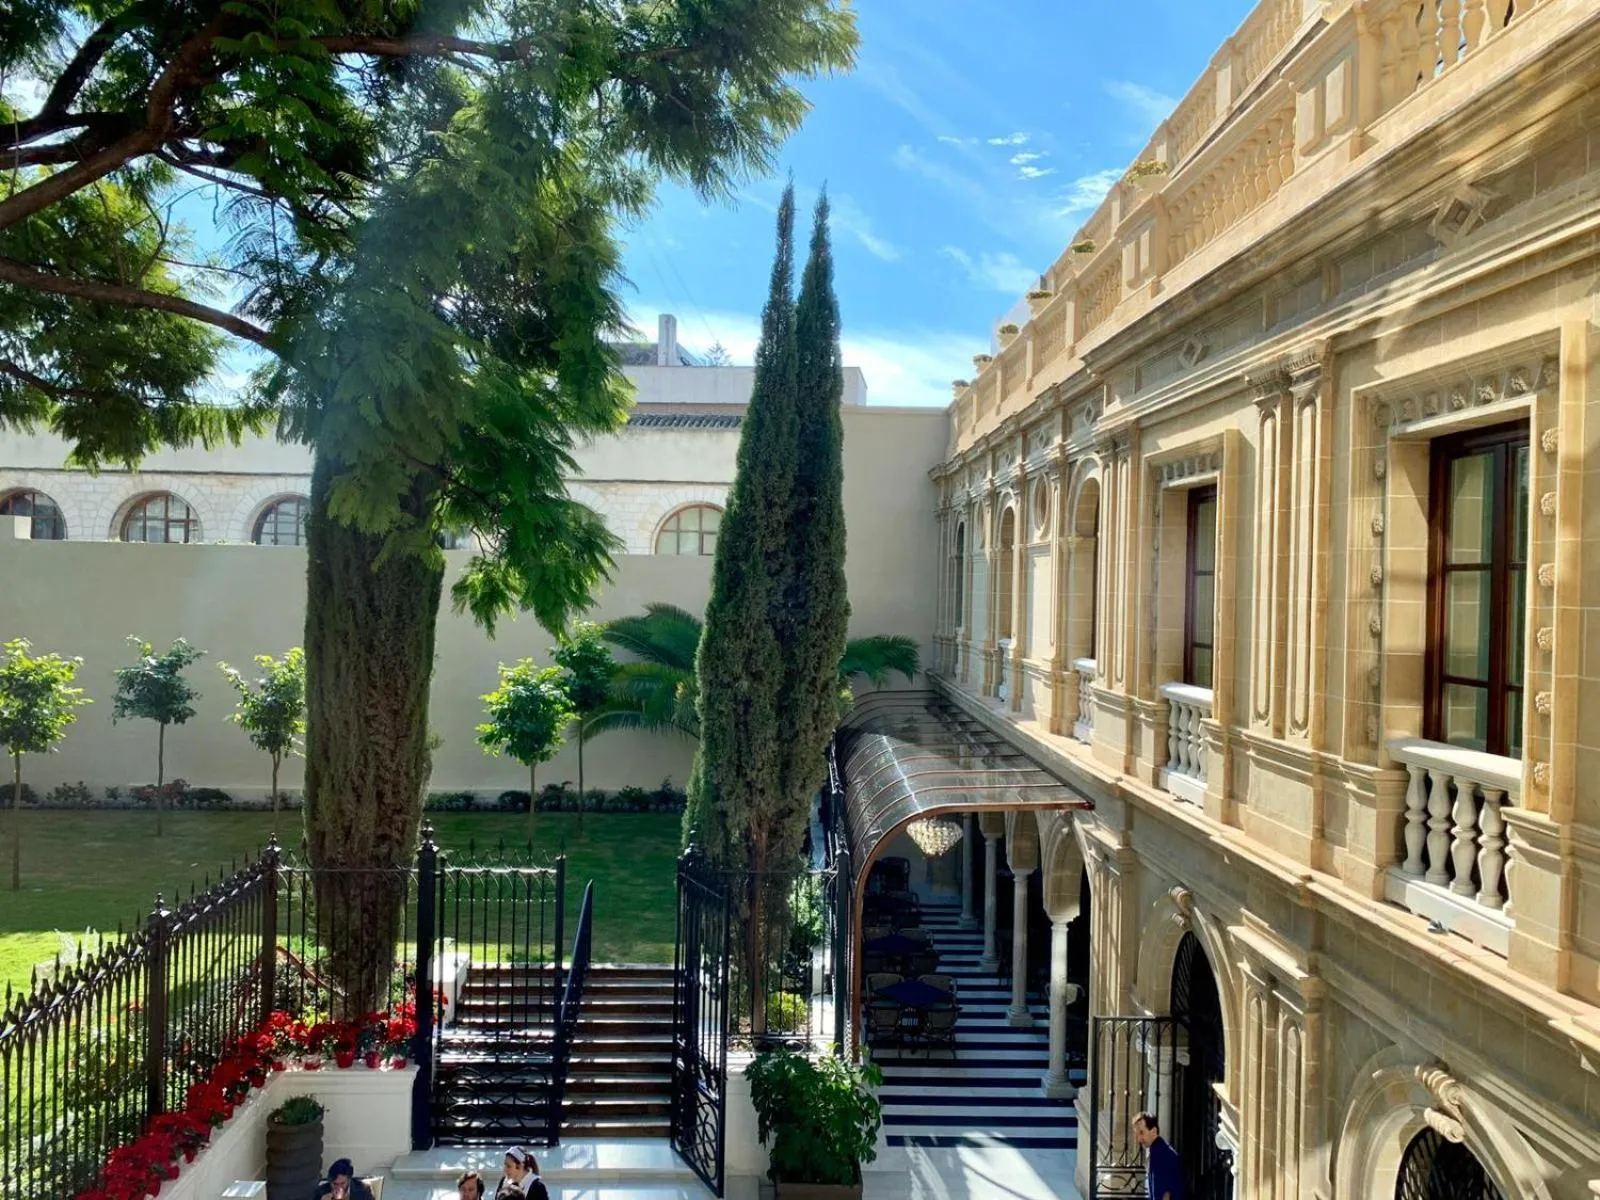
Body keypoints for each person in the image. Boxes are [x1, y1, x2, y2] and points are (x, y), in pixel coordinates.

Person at [1134, 1112, 1184, 1200]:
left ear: (1154, 1131)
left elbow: (1164, 1194)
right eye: (1137, 1134)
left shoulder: (1161, 1154)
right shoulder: (1159, 1151)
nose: (1139, 1139)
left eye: (1142, 1132)